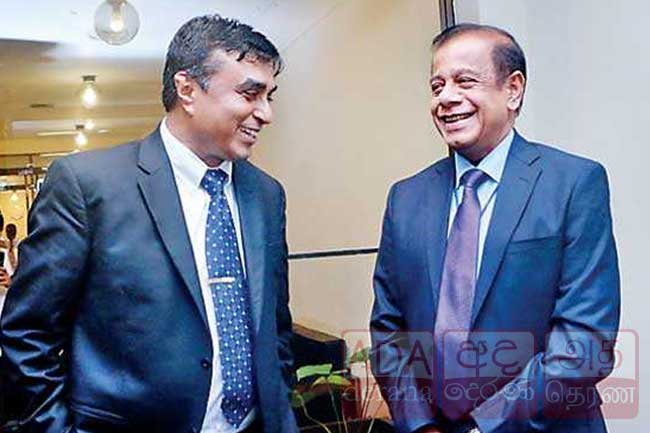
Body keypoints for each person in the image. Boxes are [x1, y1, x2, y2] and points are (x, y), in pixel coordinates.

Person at [1, 14, 297, 433]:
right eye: (250, 94)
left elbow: (276, 327)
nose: (265, 113)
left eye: (270, 96)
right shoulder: (88, 186)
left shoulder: (266, 195)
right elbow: (28, 335)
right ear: (187, 90)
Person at [370, 24, 620, 433]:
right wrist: (421, 425)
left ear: (513, 90)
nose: (446, 98)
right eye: (437, 86)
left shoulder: (573, 183)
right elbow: (388, 330)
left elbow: (584, 342)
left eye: (465, 81)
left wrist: (484, 427)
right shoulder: (406, 198)